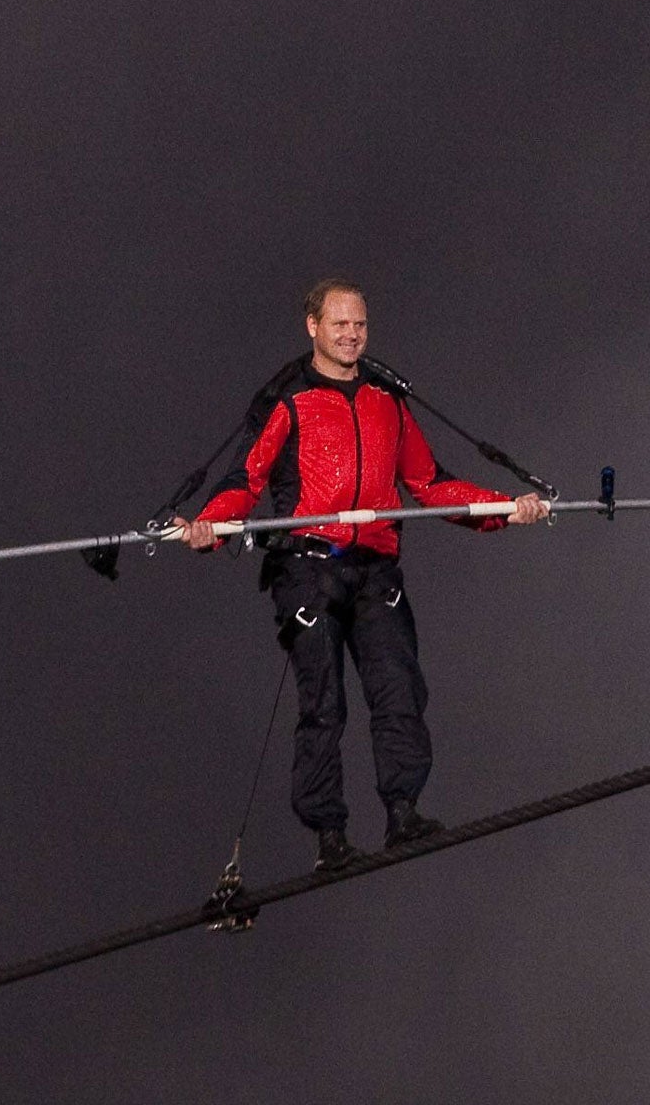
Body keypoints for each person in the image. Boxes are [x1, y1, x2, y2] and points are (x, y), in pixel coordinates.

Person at [172, 278, 548, 871]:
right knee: (323, 705)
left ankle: (403, 813)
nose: (352, 335)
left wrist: (508, 506)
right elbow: (244, 481)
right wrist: (206, 528)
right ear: (313, 327)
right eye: (340, 324)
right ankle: (329, 837)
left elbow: (430, 484)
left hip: (376, 570)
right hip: (307, 570)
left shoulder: (385, 399)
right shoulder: (287, 400)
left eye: (360, 325)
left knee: (399, 690)